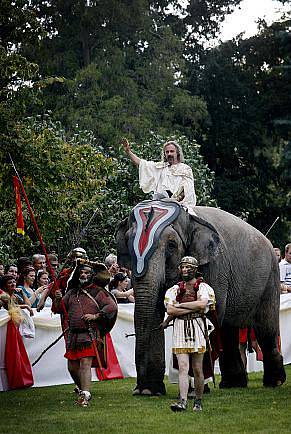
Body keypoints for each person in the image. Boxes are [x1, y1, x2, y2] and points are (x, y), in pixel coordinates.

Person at [53, 260, 117, 407]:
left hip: (89, 333)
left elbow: (111, 307)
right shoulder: (71, 292)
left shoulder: (98, 291)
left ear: (91, 275)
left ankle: (85, 396)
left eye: (87, 273)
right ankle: (83, 389)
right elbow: (59, 309)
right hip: (73, 335)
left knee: (85, 364)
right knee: (72, 367)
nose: (83, 275)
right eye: (81, 272)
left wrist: (95, 316)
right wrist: (57, 299)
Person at [164, 256, 215, 412]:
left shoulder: (203, 287)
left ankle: (198, 401)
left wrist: (181, 305)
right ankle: (183, 401)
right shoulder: (174, 289)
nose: (185, 270)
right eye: (183, 267)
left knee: (198, 368)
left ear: (195, 269)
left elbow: (202, 304)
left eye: (188, 267)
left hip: (197, 326)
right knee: (183, 367)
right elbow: (170, 310)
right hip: (180, 327)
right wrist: (192, 307)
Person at [122, 138, 197, 215]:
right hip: (158, 204)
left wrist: (175, 200)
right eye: (167, 152)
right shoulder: (160, 167)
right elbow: (141, 163)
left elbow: (188, 190)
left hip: (178, 204)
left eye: (172, 151)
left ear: (177, 153)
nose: (169, 154)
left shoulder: (185, 169)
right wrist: (128, 152)